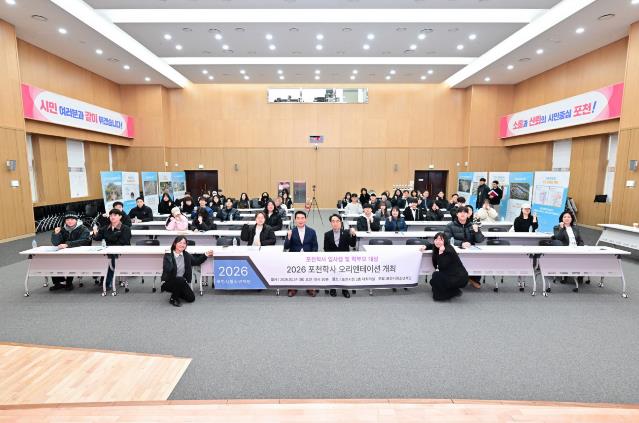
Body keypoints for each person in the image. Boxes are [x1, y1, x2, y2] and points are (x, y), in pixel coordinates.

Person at [161, 236, 213, 307]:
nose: (182, 245)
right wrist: (168, 256)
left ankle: (177, 292)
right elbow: (167, 269)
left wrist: (206, 254)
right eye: (180, 243)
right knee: (180, 279)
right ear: (175, 244)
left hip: (182, 282)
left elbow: (196, 262)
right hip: (169, 282)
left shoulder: (186, 255)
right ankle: (173, 298)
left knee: (191, 298)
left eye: (184, 243)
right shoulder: (169, 255)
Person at [444, 206, 485, 289]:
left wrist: (476, 231)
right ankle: (457, 278)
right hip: (456, 251)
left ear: (468, 215)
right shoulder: (450, 226)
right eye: (460, 212)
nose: (463, 214)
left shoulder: (472, 225)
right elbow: (447, 240)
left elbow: (480, 240)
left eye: (465, 212)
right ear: (457, 214)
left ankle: (473, 279)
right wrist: (461, 243)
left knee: (478, 259)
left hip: (470, 251)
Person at [49, 212, 91, 291]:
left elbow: (84, 241)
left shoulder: (83, 229)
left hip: (79, 253)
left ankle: (69, 282)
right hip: (64, 253)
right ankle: (58, 283)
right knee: (54, 260)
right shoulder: (62, 229)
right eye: (67, 220)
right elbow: (56, 243)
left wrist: (68, 244)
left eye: (72, 219)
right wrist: (56, 234)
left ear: (76, 220)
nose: (70, 221)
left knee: (70, 260)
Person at [92, 209, 132, 291]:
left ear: (120, 217)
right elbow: (97, 238)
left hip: (121, 252)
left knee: (111, 259)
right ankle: (102, 276)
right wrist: (95, 232)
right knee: (99, 257)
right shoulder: (105, 228)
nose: (112, 217)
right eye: (111, 216)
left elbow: (123, 242)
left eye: (115, 215)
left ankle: (107, 281)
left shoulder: (125, 228)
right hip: (108, 251)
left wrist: (110, 240)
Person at [284, 211, 318, 297]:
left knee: (310, 269)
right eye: (298, 218)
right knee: (293, 270)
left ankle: (310, 288)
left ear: (306, 219)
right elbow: (286, 247)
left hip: (308, 256)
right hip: (294, 256)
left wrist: (312, 257)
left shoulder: (312, 231)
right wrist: (289, 237)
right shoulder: (291, 231)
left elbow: (315, 246)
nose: (300, 220)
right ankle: (292, 288)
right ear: (295, 220)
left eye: (302, 218)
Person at [323, 214, 357, 298]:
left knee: (344, 274)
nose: (335, 223)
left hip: (344, 259)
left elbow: (352, 245)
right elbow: (326, 249)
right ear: (331, 223)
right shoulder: (327, 234)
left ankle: (344, 289)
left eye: (337, 221)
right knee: (333, 272)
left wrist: (353, 235)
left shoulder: (346, 233)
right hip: (332, 259)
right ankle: (333, 288)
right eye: (333, 221)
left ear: (341, 222)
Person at [428, 232, 468, 301]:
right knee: (433, 281)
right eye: (436, 239)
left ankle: (447, 294)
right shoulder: (439, 246)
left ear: (445, 241)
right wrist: (425, 246)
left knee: (436, 276)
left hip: (458, 277)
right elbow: (432, 245)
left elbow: (441, 267)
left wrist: (441, 253)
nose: (438, 241)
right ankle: (453, 290)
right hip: (450, 274)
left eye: (440, 240)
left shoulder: (448, 250)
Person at [552, 211, 585, 291]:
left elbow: (580, 240)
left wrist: (580, 247)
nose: (567, 218)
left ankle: (580, 274)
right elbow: (558, 238)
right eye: (565, 217)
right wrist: (562, 228)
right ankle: (565, 274)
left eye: (569, 217)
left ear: (571, 219)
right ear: (562, 219)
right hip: (565, 249)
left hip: (576, 249)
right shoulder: (557, 227)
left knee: (585, 256)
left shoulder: (575, 228)